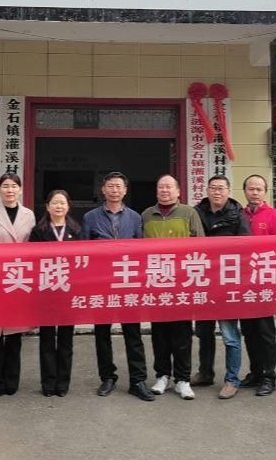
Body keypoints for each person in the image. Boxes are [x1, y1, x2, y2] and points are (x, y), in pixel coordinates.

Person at [82, 172, 152, 402]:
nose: (114, 190)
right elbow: (82, 251)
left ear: (125, 190)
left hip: (127, 283)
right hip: (101, 284)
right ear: (103, 190)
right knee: (102, 333)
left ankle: (137, 380)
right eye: (110, 186)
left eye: (118, 186)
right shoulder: (90, 217)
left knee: (133, 334)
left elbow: (141, 251)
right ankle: (107, 377)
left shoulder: (135, 217)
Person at [140, 174, 205, 401]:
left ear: (178, 191)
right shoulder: (146, 215)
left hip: (182, 283)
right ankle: (162, 376)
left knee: (182, 334)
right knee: (159, 333)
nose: (164, 190)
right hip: (156, 283)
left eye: (169, 187)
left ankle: (183, 379)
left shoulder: (189, 213)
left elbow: (201, 245)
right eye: (161, 187)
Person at [0, 173, 37, 396]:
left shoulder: (28, 215)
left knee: (14, 335)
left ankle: (11, 380)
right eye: (5, 186)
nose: (10, 190)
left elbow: (31, 247)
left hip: (19, 279)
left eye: (14, 186)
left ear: (20, 190)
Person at [193, 175, 248, 399]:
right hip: (203, 281)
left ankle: (232, 379)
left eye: (221, 188)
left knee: (230, 335)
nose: (217, 192)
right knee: (203, 332)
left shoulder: (238, 215)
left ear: (228, 191)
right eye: (213, 188)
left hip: (227, 283)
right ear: (207, 190)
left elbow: (245, 247)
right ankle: (205, 373)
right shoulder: (197, 212)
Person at [30, 189, 85, 397]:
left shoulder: (76, 230)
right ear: (47, 207)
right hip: (45, 292)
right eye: (55, 202)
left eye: (62, 202)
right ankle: (48, 383)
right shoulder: (38, 231)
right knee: (46, 339)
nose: (59, 206)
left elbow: (82, 261)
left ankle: (62, 384)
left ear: (68, 206)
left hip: (68, 292)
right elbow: (31, 260)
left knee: (65, 340)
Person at [239, 174, 276, 397]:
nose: (255, 192)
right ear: (245, 191)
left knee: (266, 332)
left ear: (265, 191)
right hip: (243, 284)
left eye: (259, 189)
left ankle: (269, 376)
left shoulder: (275, 216)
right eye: (251, 189)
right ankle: (256, 372)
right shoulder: (239, 215)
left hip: (265, 284)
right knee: (248, 331)